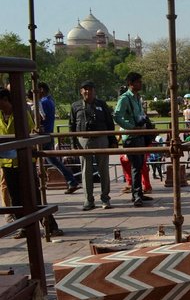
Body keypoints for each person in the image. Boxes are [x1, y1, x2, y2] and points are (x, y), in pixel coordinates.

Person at [0, 88, 63, 238]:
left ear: (5, 100)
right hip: (7, 161)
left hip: (24, 160)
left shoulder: (21, 113)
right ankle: (23, 226)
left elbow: (31, 133)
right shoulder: (0, 116)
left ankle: (50, 225)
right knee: (16, 198)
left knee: (34, 195)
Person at [68, 80, 115, 210]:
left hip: (101, 138)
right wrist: (73, 143)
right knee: (86, 171)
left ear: (95, 91)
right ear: (81, 91)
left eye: (90, 89)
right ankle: (88, 200)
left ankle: (105, 199)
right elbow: (71, 125)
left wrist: (112, 140)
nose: (87, 91)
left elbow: (109, 122)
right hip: (84, 140)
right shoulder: (75, 105)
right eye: (85, 89)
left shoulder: (102, 104)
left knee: (103, 170)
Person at [113, 72, 154, 207]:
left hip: (139, 135)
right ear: (131, 83)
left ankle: (139, 193)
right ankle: (136, 195)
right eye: (138, 82)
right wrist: (131, 128)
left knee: (140, 165)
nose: (140, 84)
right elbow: (117, 116)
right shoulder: (125, 98)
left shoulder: (137, 98)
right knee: (136, 167)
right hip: (131, 136)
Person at [37, 82, 81, 194]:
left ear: (41, 90)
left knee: (50, 161)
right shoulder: (50, 101)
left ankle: (71, 180)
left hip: (43, 135)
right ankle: (70, 180)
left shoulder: (43, 102)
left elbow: (40, 118)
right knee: (51, 160)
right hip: (48, 133)